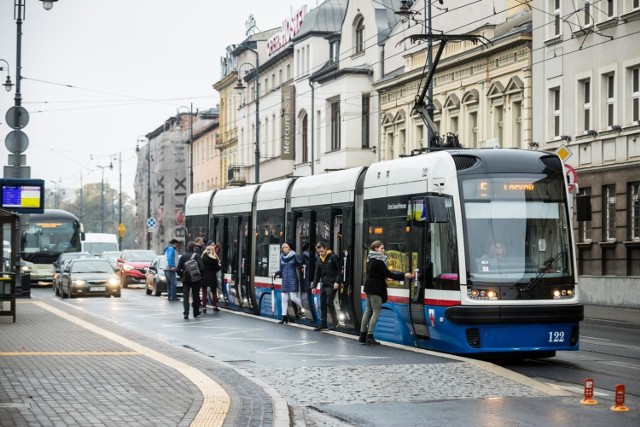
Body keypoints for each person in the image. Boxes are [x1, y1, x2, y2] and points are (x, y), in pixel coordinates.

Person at [360, 240, 414, 345]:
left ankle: (362, 335)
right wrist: (404, 275)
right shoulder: (379, 261)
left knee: (368, 311)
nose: (384, 250)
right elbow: (388, 274)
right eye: (382, 248)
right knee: (376, 312)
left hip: (368, 287)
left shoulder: (370, 259)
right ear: (376, 249)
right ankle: (370, 336)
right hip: (376, 288)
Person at [271, 242, 305, 324]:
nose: (285, 249)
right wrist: (275, 273)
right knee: (284, 299)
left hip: (293, 279)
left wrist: (302, 268)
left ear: (290, 248)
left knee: (293, 298)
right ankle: (284, 317)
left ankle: (302, 307)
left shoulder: (295, 256)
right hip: (285, 280)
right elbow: (281, 269)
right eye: (283, 248)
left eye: (286, 247)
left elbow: (301, 264)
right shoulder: (281, 257)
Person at [311, 241, 341, 331]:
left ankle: (336, 322)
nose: (320, 254)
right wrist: (314, 286)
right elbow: (317, 274)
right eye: (319, 252)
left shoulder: (333, 257)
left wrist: (337, 282)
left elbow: (339, 270)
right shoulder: (320, 259)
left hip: (332, 284)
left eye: (322, 251)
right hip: (323, 284)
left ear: (325, 249)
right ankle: (323, 324)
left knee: (329, 301)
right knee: (322, 303)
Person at [177, 241, 203, 320]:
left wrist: (182, 276)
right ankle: (196, 312)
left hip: (186, 279)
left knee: (186, 296)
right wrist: (199, 276)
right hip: (195, 279)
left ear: (187, 247)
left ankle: (186, 313)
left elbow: (178, 269)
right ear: (194, 248)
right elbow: (202, 268)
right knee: (195, 295)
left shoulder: (183, 257)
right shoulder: (197, 256)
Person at [201, 241, 221, 313]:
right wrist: (219, 266)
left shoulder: (203, 257)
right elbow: (217, 268)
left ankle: (204, 307)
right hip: (212, 276)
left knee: (204, 292)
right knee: (214, 292)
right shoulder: (214, 258)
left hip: (204, 277)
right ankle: (214, 306)